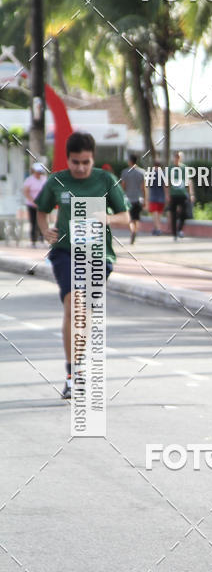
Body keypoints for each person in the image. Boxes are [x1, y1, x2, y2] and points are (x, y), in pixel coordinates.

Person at [35, 131, 129, 399]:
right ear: (68, 160)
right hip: (66, 252)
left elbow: (126, 218)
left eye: (85, 162)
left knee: (83, 313)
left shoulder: (106, 180)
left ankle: (77, 367)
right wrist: (44, 231)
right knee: (73, 305)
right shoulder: (57, 181)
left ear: (93, 159)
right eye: (75, 162)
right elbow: (41, 210)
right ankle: (72, 373)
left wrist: (107, 219)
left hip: (99, 256)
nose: (80, 168)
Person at [166, 151, 194, 241]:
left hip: (183, 194)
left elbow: (189, 182)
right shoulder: (170, 168)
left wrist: (191, 194)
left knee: (184, 213)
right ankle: (174, 233)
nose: (177, 158)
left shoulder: (184, 168)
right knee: (173, 214)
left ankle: (180, 230)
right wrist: (167, 194)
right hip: (173, 194)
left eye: (179, 157)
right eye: (176, 157)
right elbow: (166, 182)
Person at [120, 152, 146, 244]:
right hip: (138, 198)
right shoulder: (142, 172)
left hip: (128, 199)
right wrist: (145, 199)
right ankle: (135, 231)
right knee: (137, 218)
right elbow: (143, 188)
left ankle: (132, 231)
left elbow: (123, 186)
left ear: (130, 161)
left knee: (130, 218)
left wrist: (122, 196)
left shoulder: (125, 172)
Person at [22, 162, 47, 246]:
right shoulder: (29, 180)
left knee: (42, 221)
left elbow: (46, 191)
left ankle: (42, 238)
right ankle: (33, 240)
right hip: (32, 204)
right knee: (33, 222)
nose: (39, 173)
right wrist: (33, 201)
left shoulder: (44, 179)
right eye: (37, 171)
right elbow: (26, 192)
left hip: (41, 204)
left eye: (40, 171)